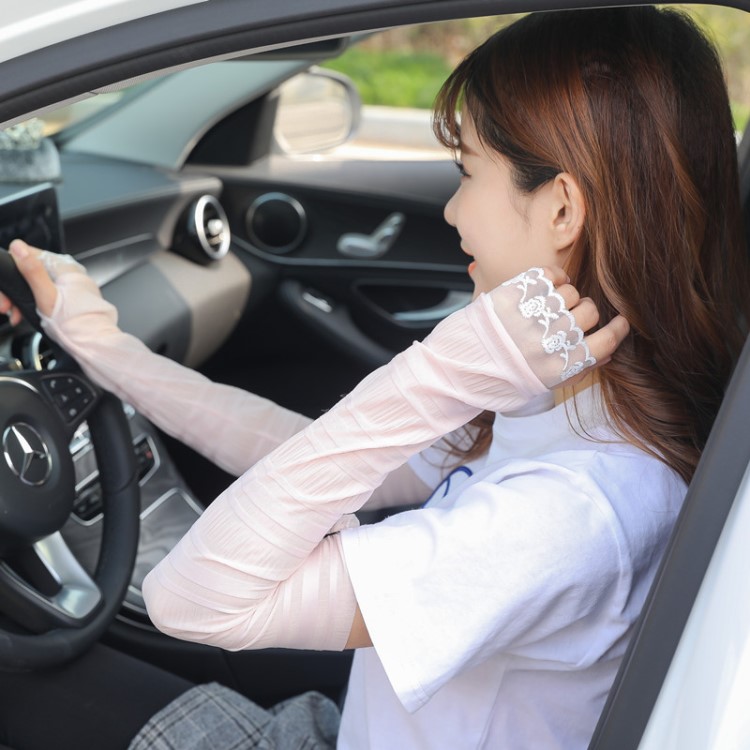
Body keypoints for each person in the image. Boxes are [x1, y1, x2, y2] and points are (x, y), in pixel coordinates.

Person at [1, 6, 747, 749]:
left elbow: (193, 600)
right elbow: (299, 450)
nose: (453, 210)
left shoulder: (569, 515)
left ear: (561, 209)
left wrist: (439, 375)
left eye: (467, 172)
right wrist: (104, 347)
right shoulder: (575, 398)